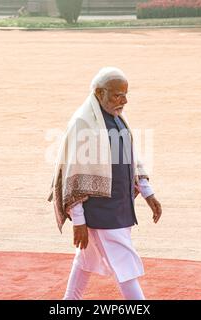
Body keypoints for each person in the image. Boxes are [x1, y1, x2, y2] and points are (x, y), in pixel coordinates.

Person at [48, 67, 162, 300]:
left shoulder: (116, 117)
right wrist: (78, 220)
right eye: (118, 95)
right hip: (101, 212)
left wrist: (148, 193)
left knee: (84, 260)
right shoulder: (84, 123)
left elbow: (131, 157)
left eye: (126, 94)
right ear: (100, 92)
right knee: (125, 266)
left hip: (120, 206)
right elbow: (75, 176)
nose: (125, 100)